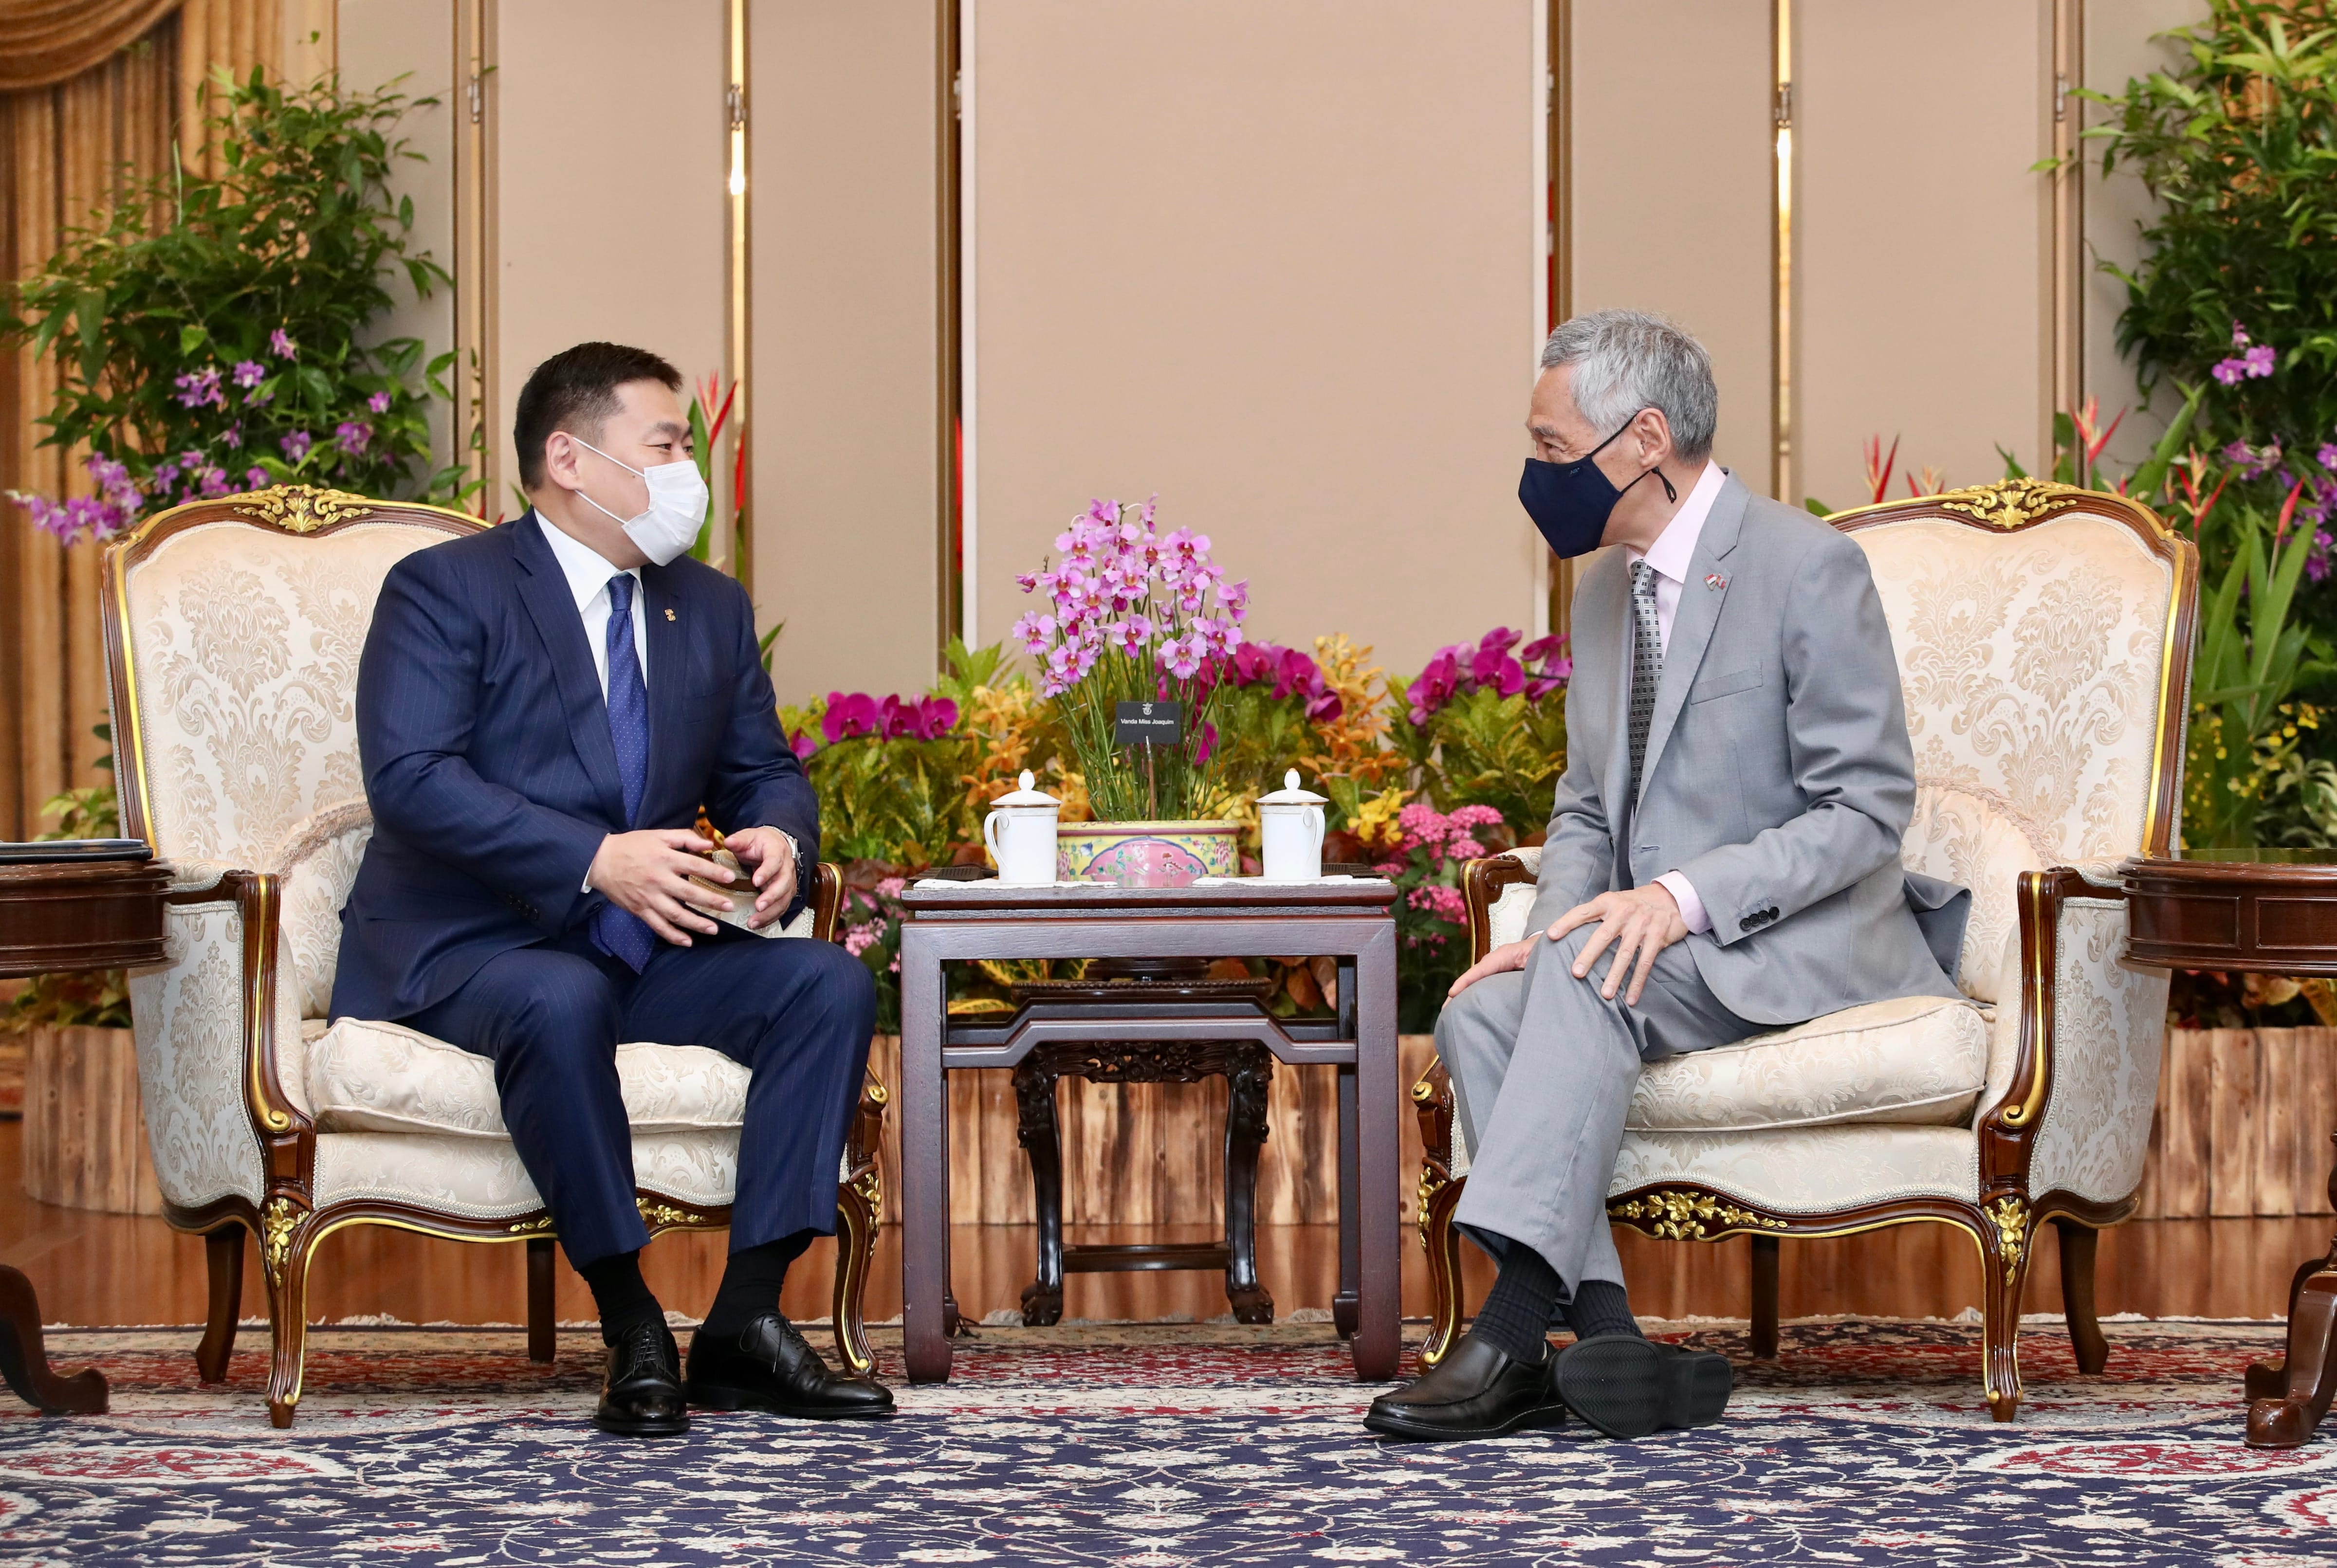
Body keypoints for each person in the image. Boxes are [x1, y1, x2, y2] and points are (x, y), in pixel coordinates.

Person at [1365, 310, 1967, 1442]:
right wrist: (1543, 933)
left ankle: (1504, 1335)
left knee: (1595, 971)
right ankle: (1606, 1344)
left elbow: (1865, 810)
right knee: (1488, 1010)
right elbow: (1588, 807)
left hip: (1799, 935)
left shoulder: (1806, 566)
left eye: (1549, 448)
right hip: (1652, 943)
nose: (1535, 476)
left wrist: (1678, 900)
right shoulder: (1605, 587)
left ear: (1643, 439)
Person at [331, 341, 891, 1437]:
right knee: (557, 996)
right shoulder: (448, 589)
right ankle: (633, 1322)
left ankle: (743, 1325)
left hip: (641, 946)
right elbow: (411, 780)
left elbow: (762, 770)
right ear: (570, 458)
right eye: (668, 446)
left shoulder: (708, 608)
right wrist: (593, 857)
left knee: (824, 983)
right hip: (471, 948)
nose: (689, 471)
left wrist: (778, 835)